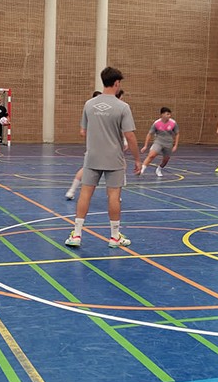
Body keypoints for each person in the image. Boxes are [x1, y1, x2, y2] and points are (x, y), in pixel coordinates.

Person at [65, 67, 141, 248]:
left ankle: (76, 234)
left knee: (85, 194)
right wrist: (137, 159)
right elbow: (129, 136)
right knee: (113, 196)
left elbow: (83, 131)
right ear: (116, 83)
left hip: (92, 157)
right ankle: (115, 237)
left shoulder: (89, 104)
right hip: (114, 158)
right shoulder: (123, 107)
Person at [65, 91, 101, 200]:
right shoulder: (93, 114)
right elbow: (82, 131)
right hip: (99, 147)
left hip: (94, 147)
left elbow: (82, 131)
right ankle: (114, 194)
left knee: (86, 168)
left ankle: (71, 191)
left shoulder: (90, 112)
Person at [140, 107, 179, 177]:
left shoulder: (173, 123)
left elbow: (177, 134)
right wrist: (145, 146)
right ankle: (142, 169)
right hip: (158, 142)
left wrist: (175, 145)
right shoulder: (156, 123)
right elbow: (149, 134)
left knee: (166, 160)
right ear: (162, 114)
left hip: (168, 143)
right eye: (167, 114)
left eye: (169, 114)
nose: (169, 116)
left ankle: (159, 169)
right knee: (151, 155)